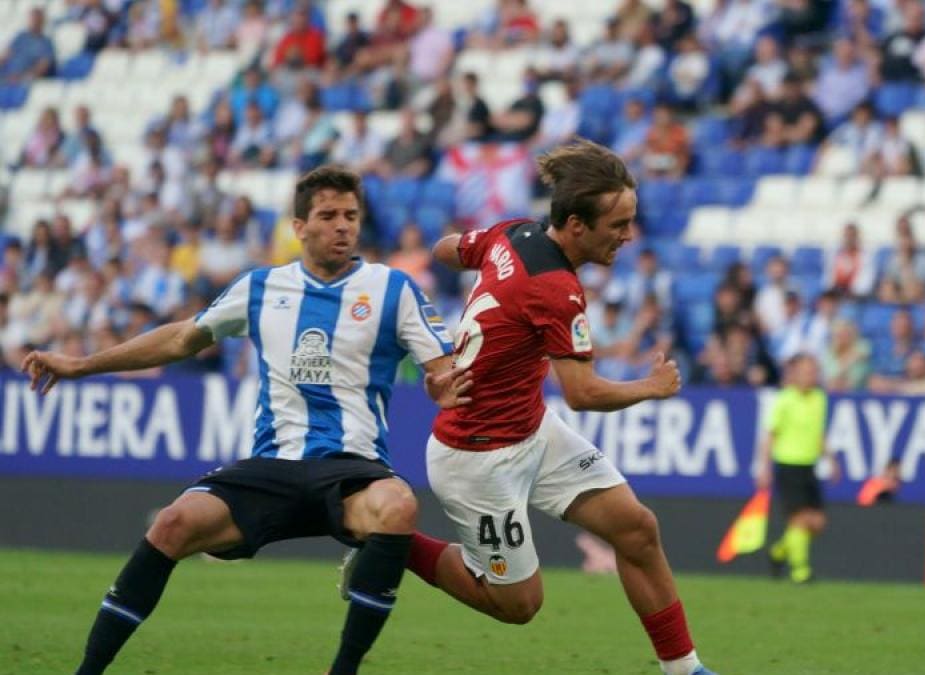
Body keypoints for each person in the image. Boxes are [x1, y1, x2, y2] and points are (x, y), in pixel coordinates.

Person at [21, 166, 472, 675]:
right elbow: (179, 339)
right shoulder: (263, 287)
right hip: (272, 467)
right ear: (299, 226)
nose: (342, 226)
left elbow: (442, 368)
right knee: (171, 524)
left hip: (352, 469)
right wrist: (81, 365)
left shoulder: (393, 289)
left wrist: (441, 383)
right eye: (327, 215)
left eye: (350, 215)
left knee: (398, 506)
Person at [353, 140, 717, 675]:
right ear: (575, 226)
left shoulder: (512, 233)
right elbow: (583, 393)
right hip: (479, 456)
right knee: (519, 605)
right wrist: (652, 386)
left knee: (636, 528)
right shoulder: (557, 289)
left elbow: (445, 249)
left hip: (531, 429)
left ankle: (685, 670)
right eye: (617, 225)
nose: (628, 236)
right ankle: (391, 544)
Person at [754, 354, 832, 583]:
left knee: (817, 523)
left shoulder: (819, 398)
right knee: (799, 519)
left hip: (810, 465)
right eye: (806, 371)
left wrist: (832, 458)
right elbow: (769, 436)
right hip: (788, 464)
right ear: (795, 374)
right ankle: (801, 571)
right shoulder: (785, 399)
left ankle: (779, 551)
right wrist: (764, 467)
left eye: (814, 371)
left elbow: (818, 433)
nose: (811, 376)